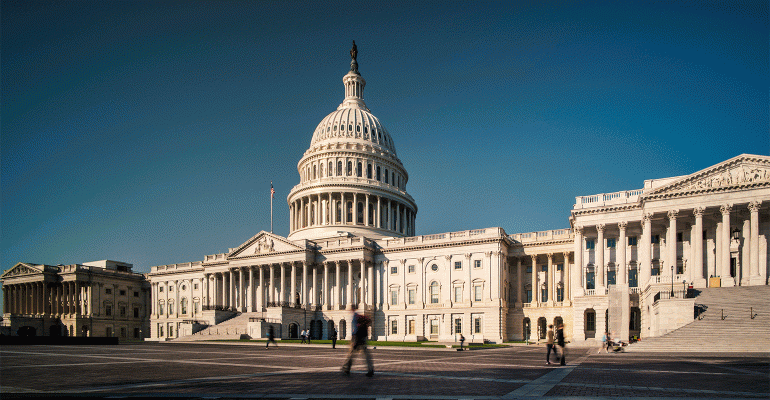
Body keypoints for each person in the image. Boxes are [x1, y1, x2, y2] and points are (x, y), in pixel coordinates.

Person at [341, 305, 374, 377]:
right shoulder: (359, 316)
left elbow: (355, 328)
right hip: (362, 338)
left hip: (357, 337)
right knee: (366, 355)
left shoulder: (355, 316)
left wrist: (354, 340)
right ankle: (370, 369)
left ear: (352, 309)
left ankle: (346, 368)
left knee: (351, 354)